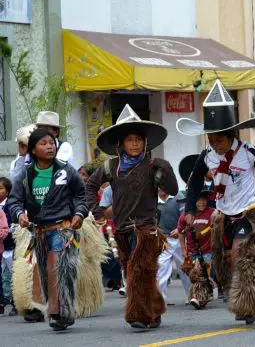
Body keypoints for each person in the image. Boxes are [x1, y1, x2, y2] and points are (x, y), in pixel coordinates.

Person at [178, 79, 255, 325]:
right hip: (223, 214)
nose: (215, 144)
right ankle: (243, 297)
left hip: (250, 211)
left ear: (231, 135)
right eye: (211, 139)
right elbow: (194, 183)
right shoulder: (207, 156)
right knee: (225, 261)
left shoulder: (249, 151)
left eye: (220, 140)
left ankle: (246, 305)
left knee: (240, 253)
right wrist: (190, 209)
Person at [86, 104, 178, 329]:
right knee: (136, 273)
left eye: (138, 139)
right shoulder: (110, 167)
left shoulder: (154, 165)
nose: (135, 143)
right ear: (121, 143)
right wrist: (97, 212)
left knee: (137, 272)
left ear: (145, 142)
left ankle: (138, 315)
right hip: (121, 230)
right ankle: (155, 310)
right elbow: (90, 186)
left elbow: (174, 190)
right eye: (130, 140)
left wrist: (166, 170)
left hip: (147, 230)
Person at [8, 128, 88, 330]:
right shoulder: (25, 175)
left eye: (52, 142)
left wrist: (79, 213)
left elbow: (80, 195)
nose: (50, 146)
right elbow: (14, 200)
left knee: (60, 269)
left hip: (62, 228)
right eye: (43, 143)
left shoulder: (66, 170)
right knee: (46, 272)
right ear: (33, 150)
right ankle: (57, 311)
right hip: (39, 231)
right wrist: (20, 215)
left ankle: (62, 312)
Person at [177, 184, 214, 309]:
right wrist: (183, 249)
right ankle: (202, 293)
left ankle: (198, 298)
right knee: (193, 274)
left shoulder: (212, 213)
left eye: (204, 200)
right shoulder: (185, 216)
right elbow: (181, 233)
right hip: (192, 250)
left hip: (207, 250)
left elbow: (217, 230)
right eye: (199, 200)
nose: (202, 203)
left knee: (201, 272)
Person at [157, 187, 190, 304]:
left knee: (185, 268)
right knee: (161, 268)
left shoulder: (178, 196)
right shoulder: (152, 200)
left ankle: (191, 296)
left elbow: (185, 215)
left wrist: (178, 229)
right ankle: (160, 300)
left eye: (163, 185)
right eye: (159, 185)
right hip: (163, 240)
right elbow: (150, 219)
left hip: (180, 238)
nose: (161, 188)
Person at [0, 177, 17, 316]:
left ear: (8, 191)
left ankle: (16, 301)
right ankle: (6, 298)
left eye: (1, 188)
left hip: (11, 245)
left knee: (14, 274)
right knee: (4, 276)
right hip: (1, 248)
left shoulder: (11, 205)